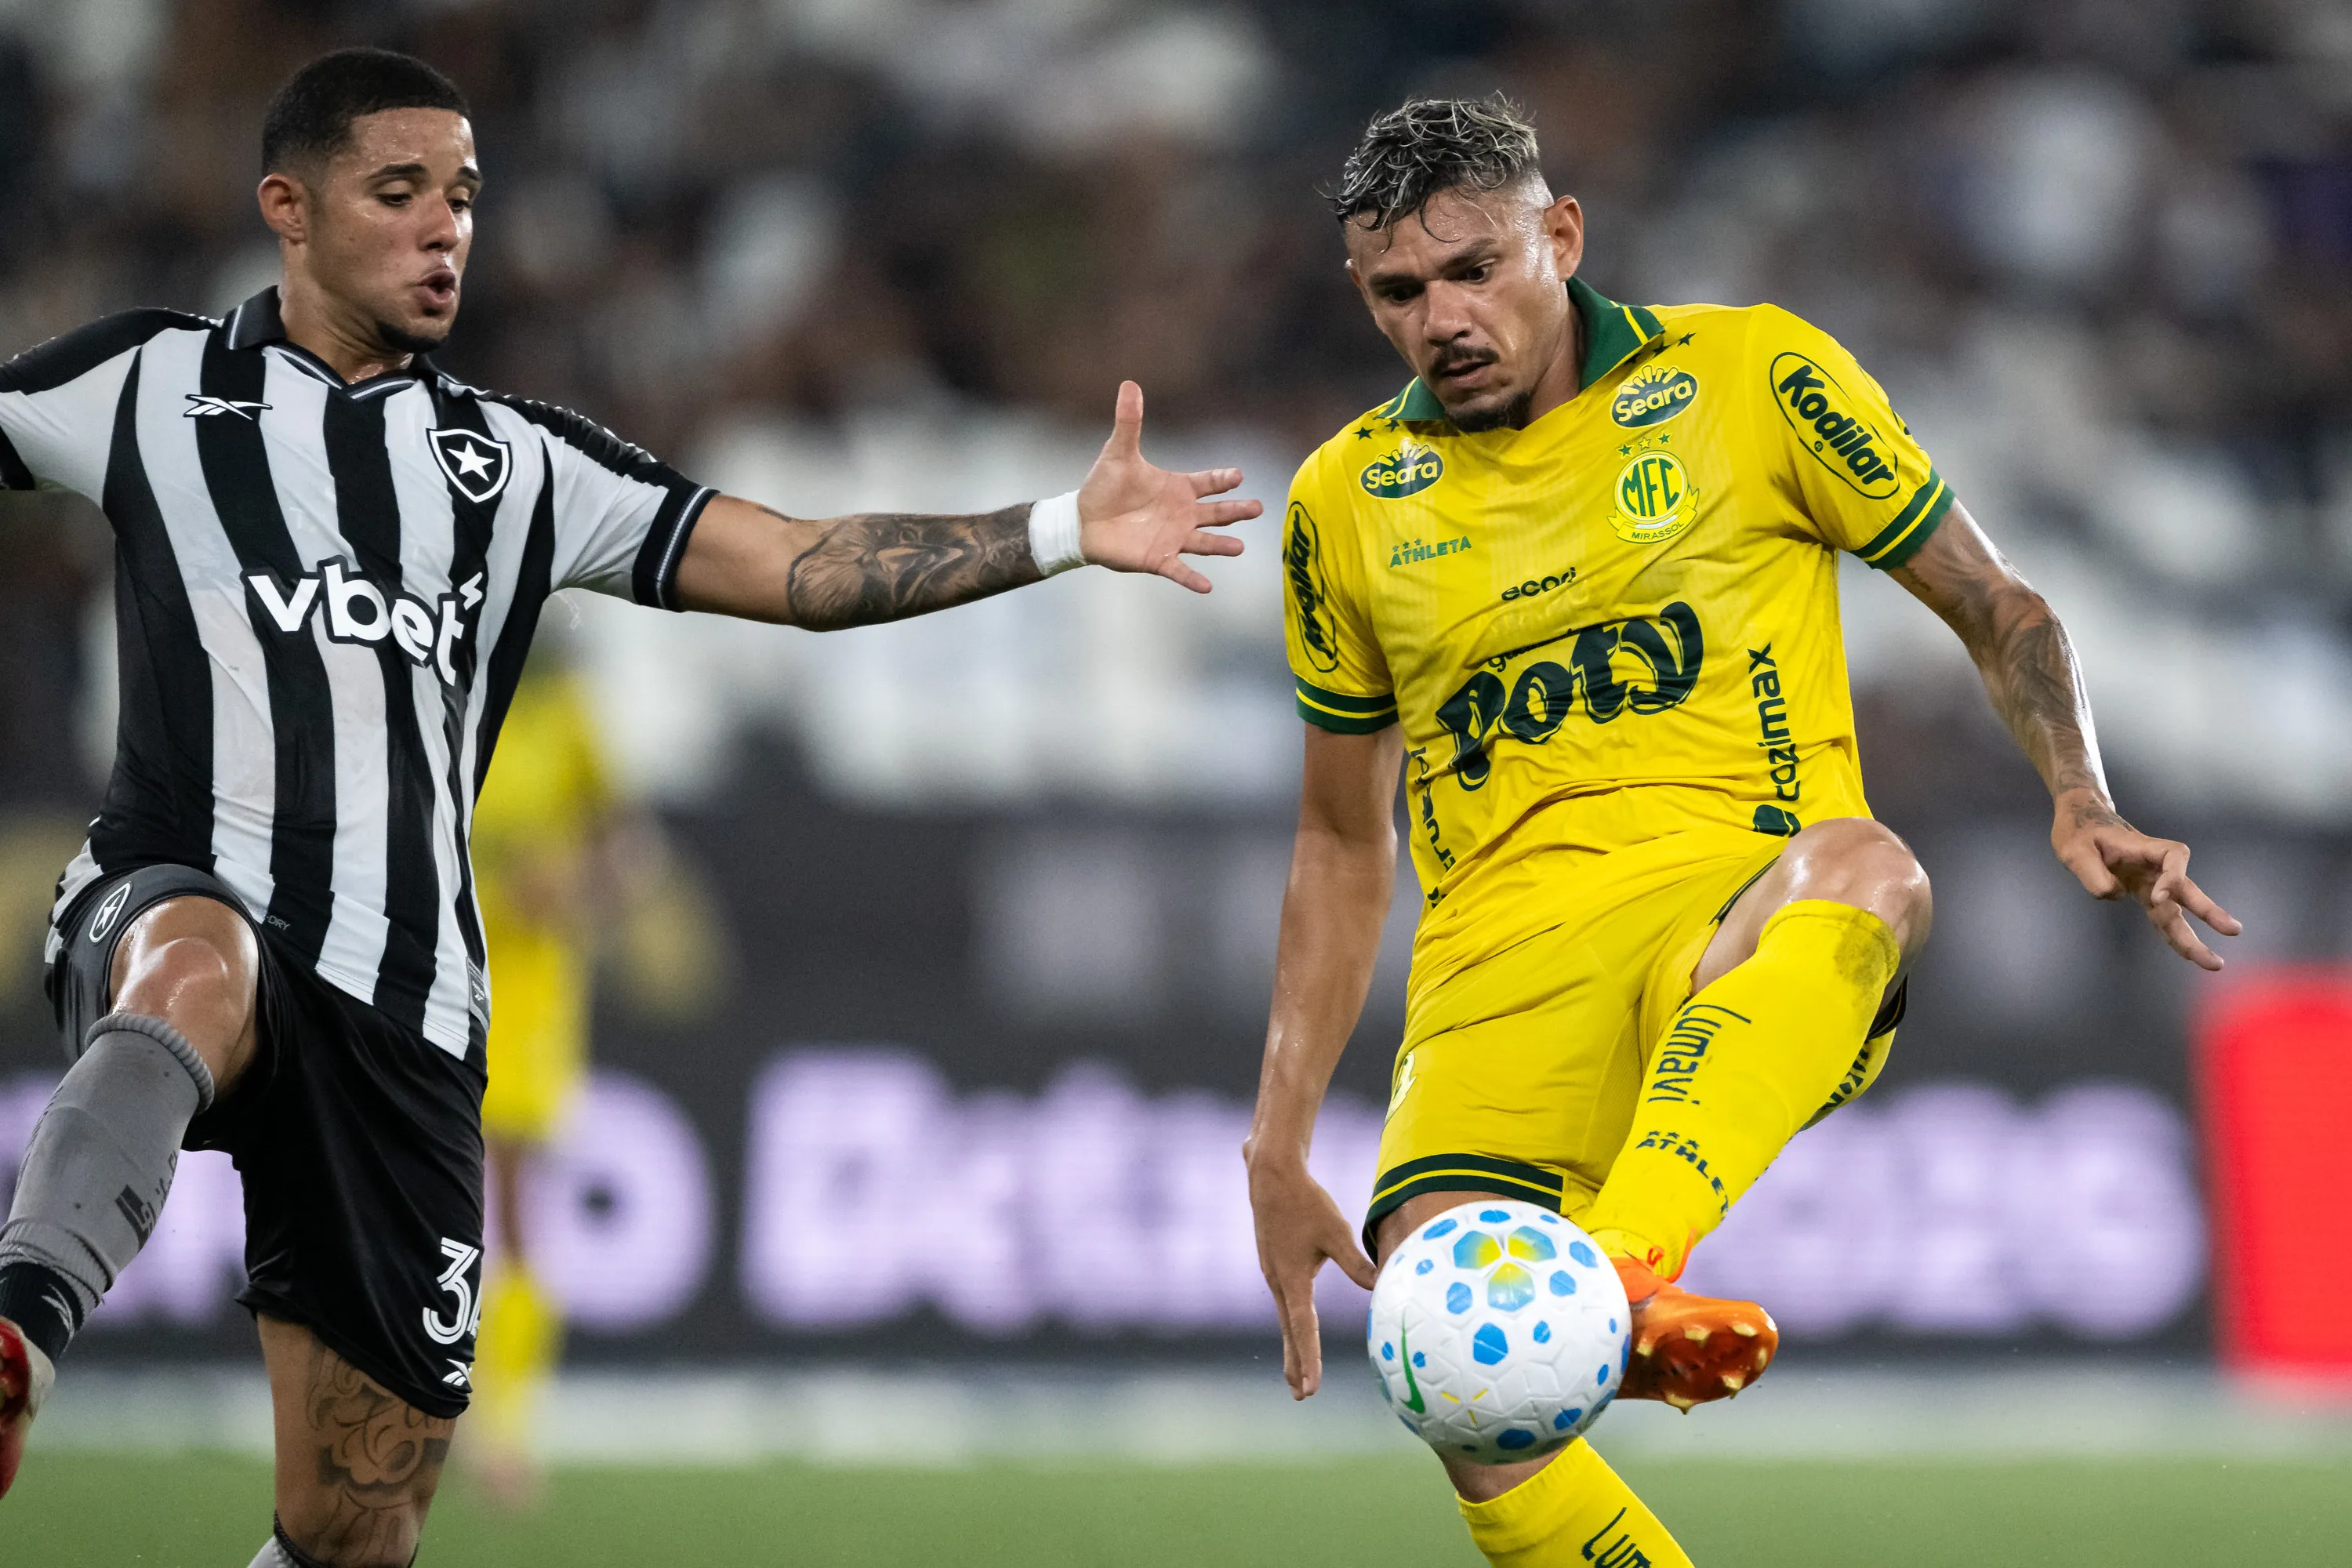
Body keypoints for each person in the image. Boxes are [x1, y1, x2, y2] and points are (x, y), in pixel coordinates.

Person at [0, 47, 1256, 1566]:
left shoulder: (514, 465)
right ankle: (24, 1328)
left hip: (412, 1013)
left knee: (358, 1527)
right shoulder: (149, 386)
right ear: (290, 206)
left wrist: (1062, 527)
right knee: (199, 960)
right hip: (185, 890)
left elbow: (794, 563)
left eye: (461, 196)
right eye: (397, 193)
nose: (443, 228)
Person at [1242, 96, 2239, 1568]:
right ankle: (1598, 1309)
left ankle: (1628, 1268)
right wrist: (1279, 1137)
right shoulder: (1345, 501)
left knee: (1872, 864)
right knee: (1457, 1387)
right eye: (1400, 292)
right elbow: (1340, 845)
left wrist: (2077, 790)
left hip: (1736, 912)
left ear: (1561, 236)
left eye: (1476, 270)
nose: (1443, 319)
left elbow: (1997, 604)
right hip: (1496, 978)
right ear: (1361, 294)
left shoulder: (1751, 377)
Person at [461, 647, 614, 1504]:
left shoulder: (567, 717)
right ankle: (408, 1400)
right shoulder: (440, 697)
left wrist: (577, 882)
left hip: (527, 993)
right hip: (430, 970)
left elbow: (627, 852)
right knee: (416, 1192)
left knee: (512, 1208)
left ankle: (505, 1420)